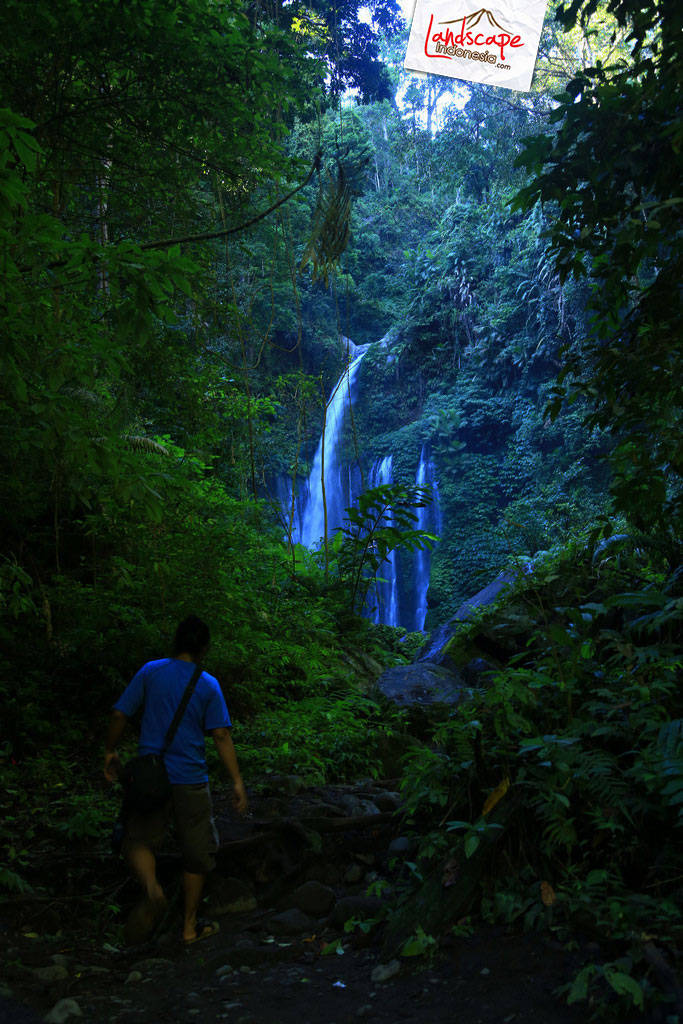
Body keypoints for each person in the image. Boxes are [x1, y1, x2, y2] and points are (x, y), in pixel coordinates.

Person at [103, 615, 248, 946]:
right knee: (196, 854)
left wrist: (110, 750)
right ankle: (188, 928)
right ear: (204, 648)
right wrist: (237, 781)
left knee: (137, 839)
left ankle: (153, 888)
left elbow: (118, 714)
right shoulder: (208, 684)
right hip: (190, 778)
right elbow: (221, 735)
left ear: (176, 641)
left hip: (149, 776)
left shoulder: (150, 672)